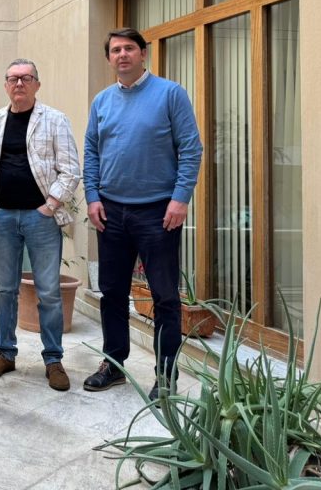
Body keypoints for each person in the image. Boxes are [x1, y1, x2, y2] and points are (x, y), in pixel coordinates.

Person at [82, 28, 203, 399]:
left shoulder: (170, 94)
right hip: (110, 212)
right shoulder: (102, 101)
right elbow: (91, 151)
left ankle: (165, 376)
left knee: (164, 297)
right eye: (116, 50)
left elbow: (191, 149)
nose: (122, 55)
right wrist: (92, 196)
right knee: (112, 293)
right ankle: (113, 364)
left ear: (143, 53)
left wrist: (180, 198)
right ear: (109, 58)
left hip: (158, 212)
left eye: (129, 48)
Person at [0, 59, 80, 391]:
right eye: (13, 78)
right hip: (3, 216)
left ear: (37, 84)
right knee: (5, 289)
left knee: (48, 292)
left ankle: (53, 360)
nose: (19, 83)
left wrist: (50, 206)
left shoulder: (55, 120)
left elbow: (70, 170)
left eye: (26, 78)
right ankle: (5, 352)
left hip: (41, 219)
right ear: (5, 85)